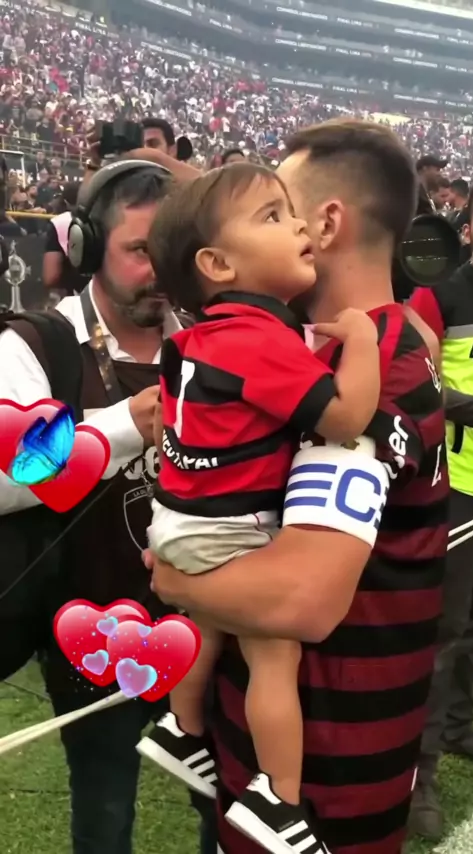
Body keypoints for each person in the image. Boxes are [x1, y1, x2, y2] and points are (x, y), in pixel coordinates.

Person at [145, 119, 448, 854]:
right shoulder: (335, 351)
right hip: (288, 752)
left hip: (322, 785)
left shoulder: (371, 368)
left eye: (280, 206)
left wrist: (174, 579)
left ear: (326, 225)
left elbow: (302, 602)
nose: (279, 223)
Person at [0, 158, 216, 854]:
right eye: (139, 251)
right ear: (89, 249)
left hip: (209, 625)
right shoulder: (35, 343)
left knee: (229, 807)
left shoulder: (214, 338)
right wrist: (125, 424)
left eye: (172, 252)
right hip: (89, 632)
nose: (160, 270)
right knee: (105, 809)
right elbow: (5, 476)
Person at [406, 178, 473, 841]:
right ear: (469, 226)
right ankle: (421, 775)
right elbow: (416, 377)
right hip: (459, 484)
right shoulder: (441, 292)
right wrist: (472, 408)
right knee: (444, 632)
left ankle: (459, 727)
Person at [42, 182, 89, 296]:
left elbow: (51, 277)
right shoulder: (111, 219)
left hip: (76, 296)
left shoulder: (60, 222)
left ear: (66, 202)